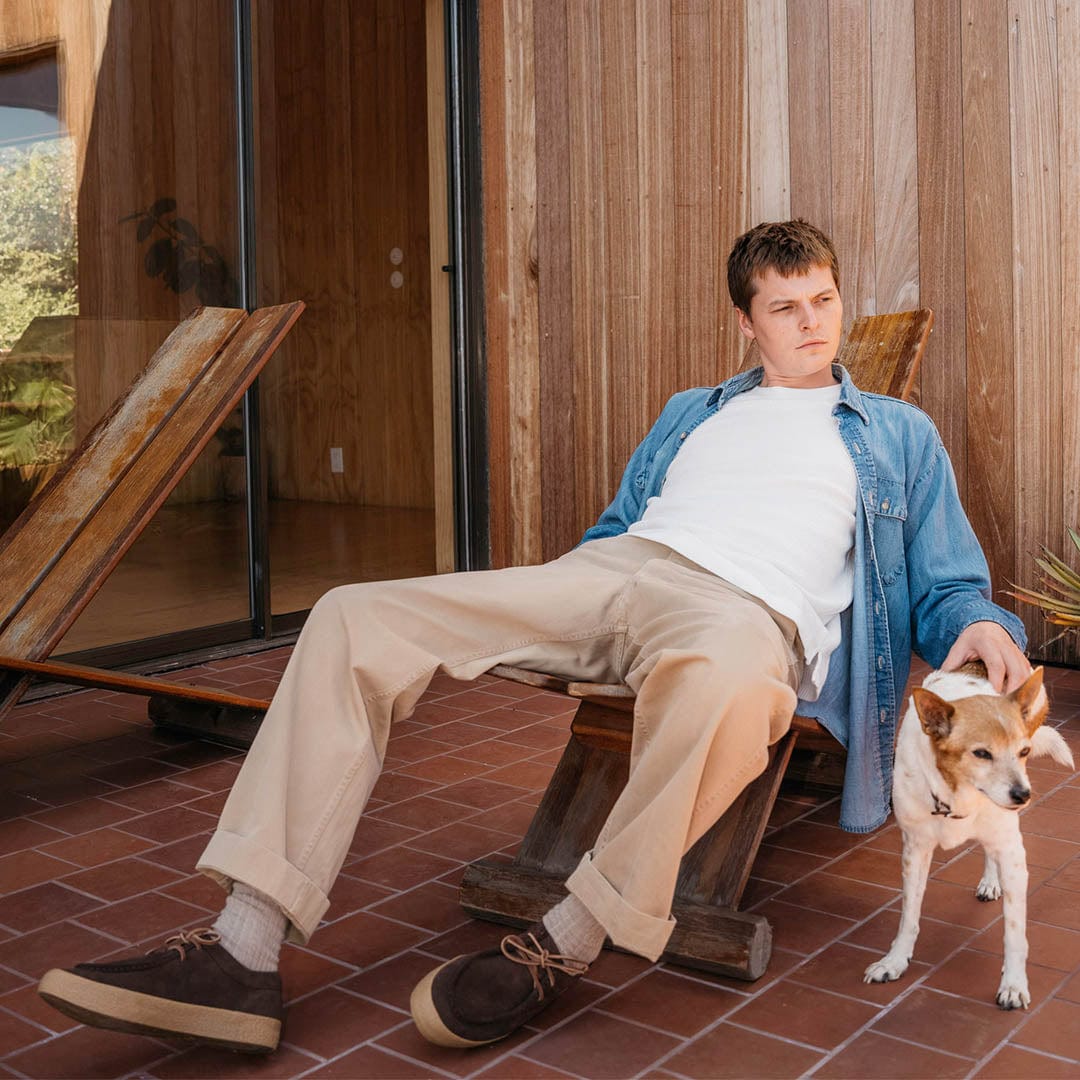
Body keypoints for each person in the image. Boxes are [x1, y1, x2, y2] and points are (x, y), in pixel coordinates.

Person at [37, 220, 1029, 1054]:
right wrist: (557, 596)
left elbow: (948, 581)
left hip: (744, 614)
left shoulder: (898, 432)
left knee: (736, 691)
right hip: (607, 578)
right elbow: (621, 521)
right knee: (352, 612)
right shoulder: (695, 412)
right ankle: (242, 952)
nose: (811, 322)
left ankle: (564, 938)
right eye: (785, 306)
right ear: (747, 322)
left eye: (822, 299)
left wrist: (979, 624)